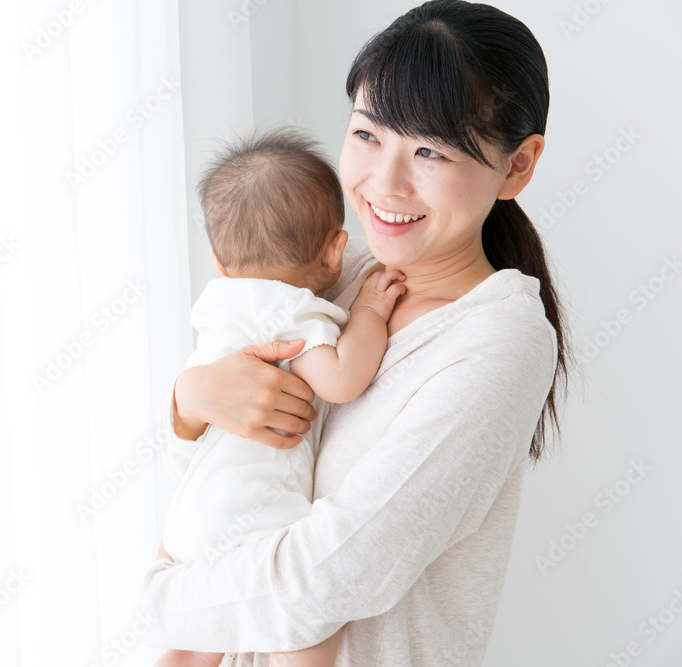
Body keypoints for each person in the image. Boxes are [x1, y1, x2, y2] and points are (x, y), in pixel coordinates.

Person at [139, 1, 571, 665]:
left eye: (430, 149)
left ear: (518, 165)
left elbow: (328, 577)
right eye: (369, 134)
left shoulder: (499, 341)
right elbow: (231, 473)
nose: (384, 182)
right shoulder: (339, 274)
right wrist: (190, 401)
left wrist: (159, 599)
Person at [153, 128, 406, 667]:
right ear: (336, 250)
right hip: (255, 509)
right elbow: (340, 379)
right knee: (305, 629)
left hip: (192, 513)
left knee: (197, 645)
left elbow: (190, 419)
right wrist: (368, 314)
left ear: (221, 262)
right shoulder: (294, 309)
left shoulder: (217, 304)